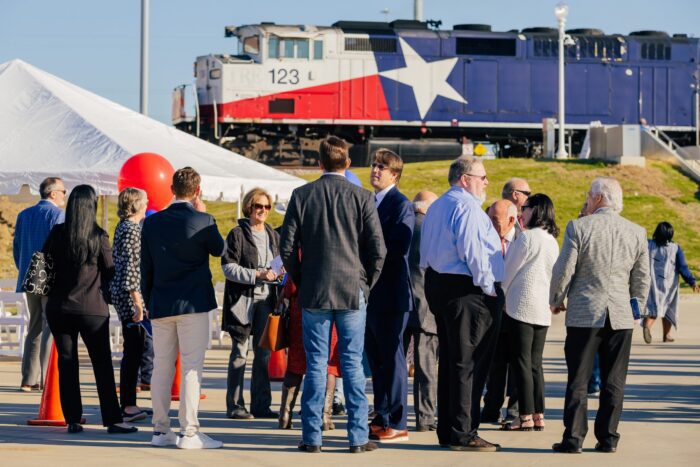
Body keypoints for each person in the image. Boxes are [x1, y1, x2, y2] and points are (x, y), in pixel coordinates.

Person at [280, 136, 386, 454]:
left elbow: (286, 247)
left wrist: (302, 279)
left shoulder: (302, 195)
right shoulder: (362, 197)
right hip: (352, 289)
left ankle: (312, 436)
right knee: (352, 363)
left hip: (315, 290)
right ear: (348, 163)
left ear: (319, 164)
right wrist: (366, 284)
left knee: (315, 363)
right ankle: (357, 437)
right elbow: (378, 250)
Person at [550, 177, 650, 454]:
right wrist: (636, 310)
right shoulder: (637, 232)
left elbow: (564, 269)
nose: (587, 199)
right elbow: (642, 278)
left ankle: (573, 439)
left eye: (588, 195)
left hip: (585, 313)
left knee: (578, 379)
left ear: (597, 198)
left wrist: (556, 299)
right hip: (620, 316)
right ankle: (608, 438)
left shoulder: (579, 227)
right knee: (614, 381)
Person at [421, 156, 505, 452]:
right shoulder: (466, 207)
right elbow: (473, 251)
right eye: (482, 177)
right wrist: (488, 287)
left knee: (452, 361)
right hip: (468, 290)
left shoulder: (439, 205)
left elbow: (425, 251)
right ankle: (464, 431)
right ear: (465, 179)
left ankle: (449, 428)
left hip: (441, 284)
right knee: (469, 363)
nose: (486, 182)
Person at [141, 167, 226, 449]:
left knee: (161, 367)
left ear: (172, 190)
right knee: (191, 367)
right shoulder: (203, 220)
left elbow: (145, 267)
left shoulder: (152, 223)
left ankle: (160, 430)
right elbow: (220, 249)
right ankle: (189, 432)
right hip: (193, 303)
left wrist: (148, 300)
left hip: (161, 302)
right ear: (197, 190)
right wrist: (204, 214)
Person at [42, 184, 136, 435]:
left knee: (67, 362)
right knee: (102, 363)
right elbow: (111, 270)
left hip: (59, 308)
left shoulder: (57, 234)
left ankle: (73, 418)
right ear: (92, 206)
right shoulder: (98, 236)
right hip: (92, 308)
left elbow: (44, 267)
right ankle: (112, 419)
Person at [365, 149, 414, 443]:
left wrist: (367, 254)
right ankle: (381, 416)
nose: (375, 170)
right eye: (373, 164)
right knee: (377, 360)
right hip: (371, 295)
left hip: (392, 294)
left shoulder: (401, 204)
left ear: (394, 175)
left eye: (381, 167)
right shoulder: (368, 201)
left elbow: (399, 247)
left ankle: (398, 421)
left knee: (393, 360)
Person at [501, 194, 559, 432]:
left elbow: (508, 271)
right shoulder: (552, 241)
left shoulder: (526, 238)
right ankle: (538, 414)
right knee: (536, 363)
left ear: (536, 210)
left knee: (521, 362)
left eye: (524, 208)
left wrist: (501, 294)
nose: (521, 212)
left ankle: (524, 415)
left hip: (521, 305)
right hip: (542, 307)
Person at [221, 188, 279, 420]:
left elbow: (279, 265)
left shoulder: (273, 235)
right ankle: (235, 406)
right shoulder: (237, 234)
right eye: (258, 206)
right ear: (249, 207)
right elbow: (228, 267)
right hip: (242, 301)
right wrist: (257, 275)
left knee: (263, 355)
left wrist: (278, 274)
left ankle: (261, 405)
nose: (263, 210)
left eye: (266, 207)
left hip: (267, 301)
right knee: (240, 353)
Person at [13, 177, 65, 392]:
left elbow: (17, 249)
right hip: (50, 276)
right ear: (53, 193)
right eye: (63, 191)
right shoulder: (58, 214)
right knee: (50, 327)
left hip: (29, 276)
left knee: (34, 326)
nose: (64, 195)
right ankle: (46, 378)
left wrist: (26, 270)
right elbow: (61, 248)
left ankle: (28, 378)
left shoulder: (24, 215)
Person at [277, 268, 342, 430]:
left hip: (302, 309)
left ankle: (285, 415)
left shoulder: (304, 253)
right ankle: (325, 416)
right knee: (329, 365)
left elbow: (291, 286)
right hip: (331, 306)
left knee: (296, 363)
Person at [110, 187, 150, 422]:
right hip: (130, 296)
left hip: (123, 293)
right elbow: (131, 268)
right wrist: (137, 301)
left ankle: (129, 402)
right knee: (134, 349)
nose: (147, 204)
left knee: (134, 349)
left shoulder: (123, 227)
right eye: (145, 201)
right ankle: (128, 404)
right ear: (136, 204)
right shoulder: (132, 230)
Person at [403, 191, 439, 432]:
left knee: (397, 364)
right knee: (426, 366)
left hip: (399, 303)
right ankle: (425, 418)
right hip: (426, 304)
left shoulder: (401, 225)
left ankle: (393, 415)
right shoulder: (430, 229)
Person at [481, 199, 519, 425]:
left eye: (495, 220)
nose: (491, 225)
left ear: (511, 220)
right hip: (492, 309)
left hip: (517, 310)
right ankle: (491, 407)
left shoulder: (523, 240)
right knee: (494, 362)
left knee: (516, 363)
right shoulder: (485, 238)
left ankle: (514, 411)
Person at [643, 221, 699, 343]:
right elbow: (683, 267)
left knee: (653, 307)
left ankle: (647, 326)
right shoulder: (675, 248)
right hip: (669, 285)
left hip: (651, 283)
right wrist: (692, 282)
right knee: (668, 307)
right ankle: (666, 335)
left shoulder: (648, 244)